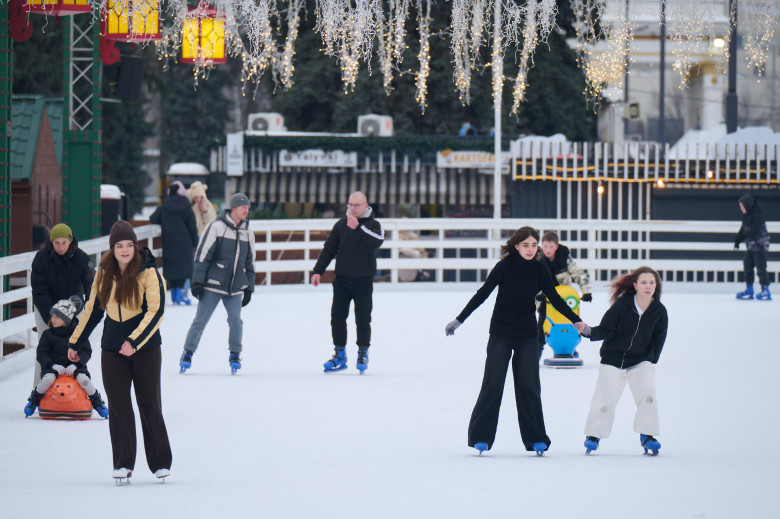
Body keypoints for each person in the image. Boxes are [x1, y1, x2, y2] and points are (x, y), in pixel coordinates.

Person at [444, 226, 585, 455]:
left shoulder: (540, 269)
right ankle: (481, 437)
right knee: (493, 383)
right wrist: (459, 320)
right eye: (526, 245)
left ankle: (536, 438)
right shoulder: (504, 267)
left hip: (527, 335)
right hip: (501, 332)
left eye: (534, 245)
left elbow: (556, 299)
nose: (531, 249)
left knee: (529, 386)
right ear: (516, 246)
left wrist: (577, 321)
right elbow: (483, 293)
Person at [68, 220, 171, 483]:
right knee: (119, 406)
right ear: (112, 249)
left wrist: (135, 341)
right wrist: (75, 342)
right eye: (119, 245)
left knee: (149, 404)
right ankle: (123, 463)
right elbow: (93, 308)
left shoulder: (149, 273)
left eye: (129, 245)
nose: (124, 250)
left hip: (146, 347)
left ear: (135, 247)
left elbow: (156, 312)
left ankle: (160, 462)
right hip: (112, 347)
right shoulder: (104, 273)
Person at [579, 266, 668, 456]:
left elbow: (659, 339)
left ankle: (648, 435)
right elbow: (605, 329)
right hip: (613, 359)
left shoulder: (659, 311)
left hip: (641, 361)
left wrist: (651, 360)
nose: (648, 286)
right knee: (605, 398)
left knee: (648, 395)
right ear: (635, 285)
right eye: (644, 282)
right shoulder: (622, 306)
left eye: (652, 283)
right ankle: (593, 436)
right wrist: (588, 331)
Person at [179, 193, 256, 375]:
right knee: (201, 320)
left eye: (248, 207)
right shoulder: (217, 227)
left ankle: (235, 355)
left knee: (236, 320)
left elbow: (250, 263)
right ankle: (187, 353)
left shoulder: (247, 232)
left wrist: (250, 287)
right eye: (243, 207)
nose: (246, 210)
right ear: (234, 208)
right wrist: (197, 281)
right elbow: (203, 256)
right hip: (213, 284)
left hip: (235, 286)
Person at [310, 191, 385, 374]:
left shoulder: (374, 225)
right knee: (337, 317)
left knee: (363, 319)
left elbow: (377, 242)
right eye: (350, 205)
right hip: (342, 281)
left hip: (363, 281)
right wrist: (318, 271)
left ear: (366, 205)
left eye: (356, 205)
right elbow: (329, 249)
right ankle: (340, 355)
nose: (352, 208)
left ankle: (362, 353)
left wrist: (358, 228)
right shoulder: (341, 225)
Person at [30, 223, 95, 387]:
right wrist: (51, 317)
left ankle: (76, 391)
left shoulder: (82, 258)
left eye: (64, 243)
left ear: (70, 241)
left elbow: (91, 288)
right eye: (56, 243)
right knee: (45, 348)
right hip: (47, 310)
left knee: (74, 348)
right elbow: (39, 290)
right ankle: (39, 391)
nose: (60, 247)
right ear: (51, 242)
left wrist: (89, 314)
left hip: (74, 310)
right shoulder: (41, 259)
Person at [23, 296, 108, 418]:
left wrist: (76, 364)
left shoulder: (78, 334)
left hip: (75, 367)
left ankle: (96, 401)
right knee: (47, 379)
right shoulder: (48, 334)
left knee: (84, 380)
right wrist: (51, 365)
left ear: (66, 319)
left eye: (57, 317)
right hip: (53, 367)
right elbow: (42, 352)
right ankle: (34, 399)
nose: (53, 319)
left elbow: (86, 351)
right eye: (52, 316)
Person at [537, 231, 592, 359]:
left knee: (571, 321)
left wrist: (586, 292)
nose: (548, 250)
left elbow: (578, 273)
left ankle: (570, 347)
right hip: (547, 298)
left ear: (556, 246)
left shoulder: (564, 257)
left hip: (565, 297)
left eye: (551, 246)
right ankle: (538, 348)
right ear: (541, 246)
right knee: (542, 323)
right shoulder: (538, 260)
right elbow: (534, 280)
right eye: (545, 246)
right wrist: (539, 295)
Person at [150, 181, 199, 305]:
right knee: (183, 269)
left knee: (172, 269)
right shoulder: (186, 206)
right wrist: (195, 243)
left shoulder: (164, 206)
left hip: (169, 242)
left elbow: (153, 218)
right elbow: (192, 227)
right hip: (184, 242)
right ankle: (179, 295)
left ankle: (173, 295)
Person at [734, 194, 771, 301]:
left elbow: (753, 231)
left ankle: (766, 290)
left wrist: (745, 235)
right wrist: (738, 240)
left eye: (742, 206)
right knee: (747, 266)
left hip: (760, 247)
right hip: (751, 247)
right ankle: (749, 289)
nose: (741, 208)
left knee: (761, 268)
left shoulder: (757, 216)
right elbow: (743, 229)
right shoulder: (746, 216)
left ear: (748, 205)